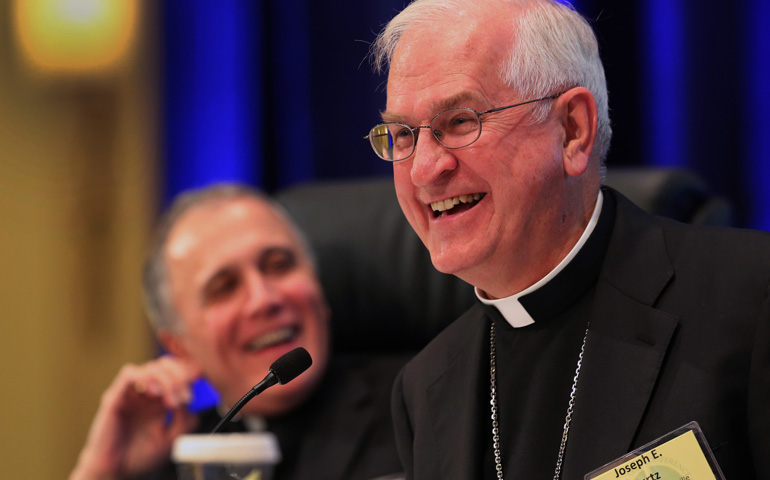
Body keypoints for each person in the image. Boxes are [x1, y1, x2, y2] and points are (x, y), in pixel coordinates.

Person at [364, 0, 770, 478]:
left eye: (459, 122)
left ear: (572, 130)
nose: (424, 170)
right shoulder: (425, 387)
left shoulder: (752, 299)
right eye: (403, 133)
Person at [70, 184, 404, 480]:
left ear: (319, 292)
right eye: (225, 287)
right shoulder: (170, 459)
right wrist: (100, 470)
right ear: (180, 348)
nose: (264, 299)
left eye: (279, 265)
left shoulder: (414, 404)